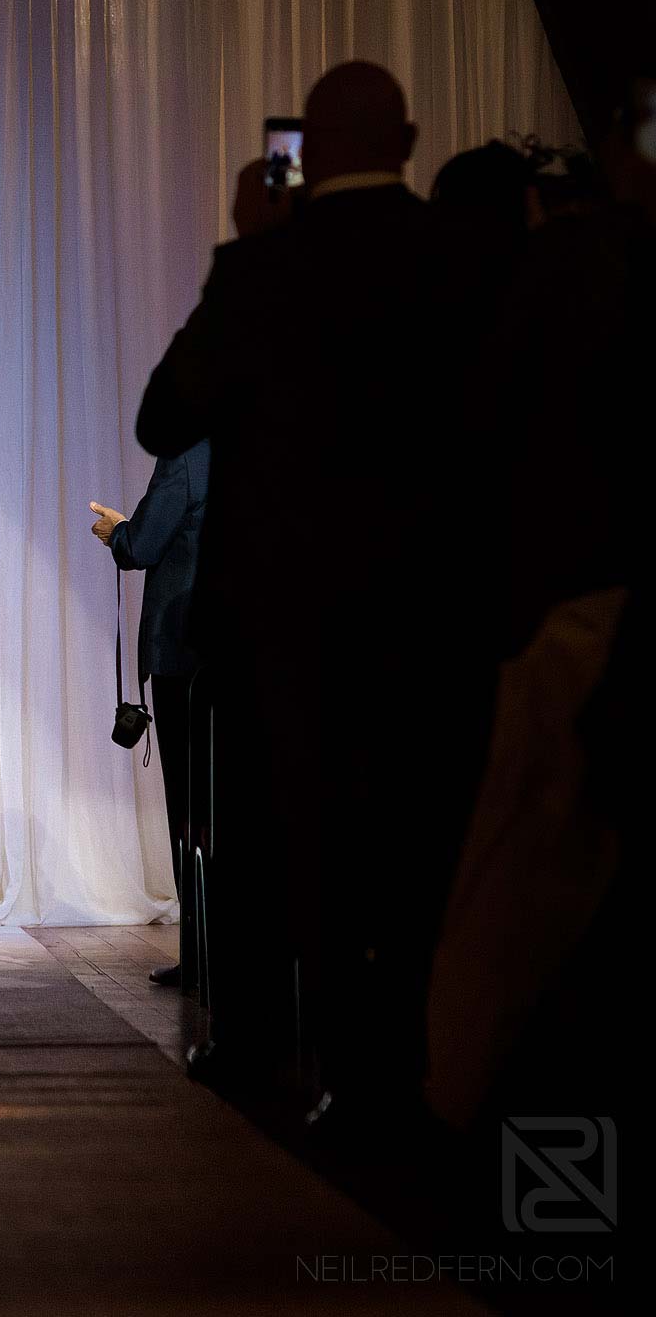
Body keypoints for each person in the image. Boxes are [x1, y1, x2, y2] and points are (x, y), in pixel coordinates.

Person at [137, 62, 498, 1129]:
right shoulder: (468, 261)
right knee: (418, 839)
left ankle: (265, 1050)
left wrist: (249, 249)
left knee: (271, 840)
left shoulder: (264, 268)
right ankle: (401, 1065)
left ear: (298, 155)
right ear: (412, 135)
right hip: (432, 610)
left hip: (279, 613)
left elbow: (165, 417)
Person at [88, 437, 211, 990]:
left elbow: (142, 544)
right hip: (241, 654)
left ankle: (205, 954)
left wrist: (118, 531)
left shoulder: (188, 452)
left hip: (187, 653)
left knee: (191, 805)